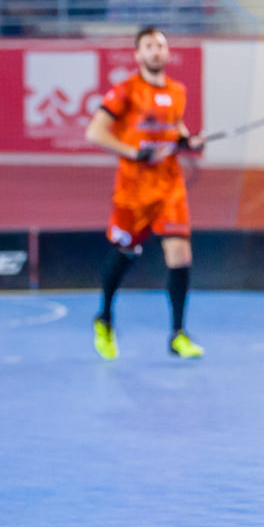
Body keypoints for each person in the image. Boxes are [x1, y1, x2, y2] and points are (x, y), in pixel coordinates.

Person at [85, 25, 205, 360]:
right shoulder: (125, 91)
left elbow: (174, 128)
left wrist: (188, 141)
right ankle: (104, 318)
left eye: (161, 45)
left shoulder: (177, 91)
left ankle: (178, 334)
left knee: (180, 254)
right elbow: (95, 132)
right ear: (138, 54)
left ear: (167, 53)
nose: (156, 51)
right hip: (133, 191)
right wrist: (133, 152)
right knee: (124, 253)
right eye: (149, 45)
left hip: (169, 187)